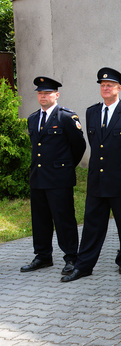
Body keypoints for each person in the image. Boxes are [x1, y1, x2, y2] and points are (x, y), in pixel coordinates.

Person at [62, 68, 121, 282]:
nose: (105, 88)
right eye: (102, 85)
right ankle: (84, 265)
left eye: (110, 85)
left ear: (119, 88)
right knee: (92, 226)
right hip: (97, 180)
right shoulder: (92, 112)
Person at [22, 77, 86, 275]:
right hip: (38, 177)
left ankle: (71, 257)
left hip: (59, 178)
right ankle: (43, 256)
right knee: (39, 219)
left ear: (56, 95)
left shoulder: (66, 117)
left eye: (47, 93)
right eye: (40, 93)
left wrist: (65, 167)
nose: (43, 96)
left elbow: (79, 146)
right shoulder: (33, 118)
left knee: (63, 218)